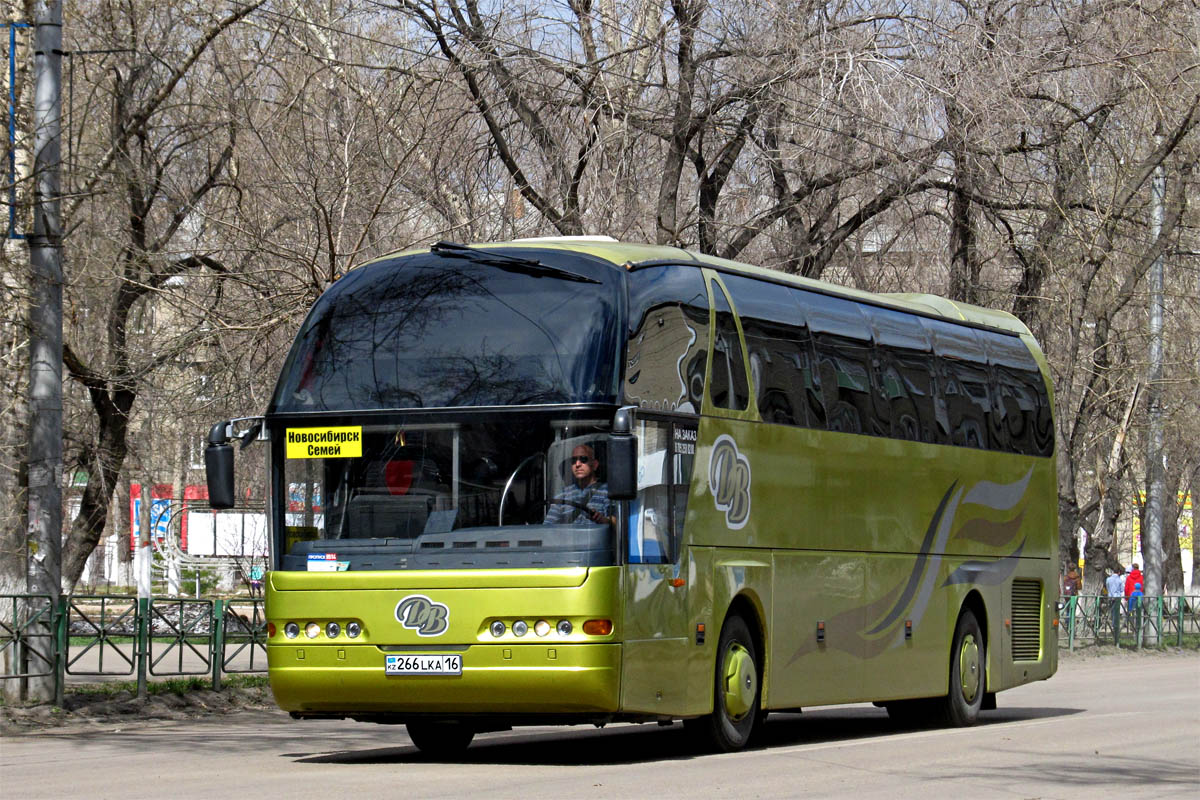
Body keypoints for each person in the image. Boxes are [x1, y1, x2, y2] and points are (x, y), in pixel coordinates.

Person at [544, 444, 613, 525]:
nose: (577, 464)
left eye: (583, 459)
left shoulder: (608, 492)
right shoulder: (562, 495)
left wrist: (602, 519)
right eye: (573, 461)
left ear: (594, 465)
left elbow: (616, 524)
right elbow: (548, 527)